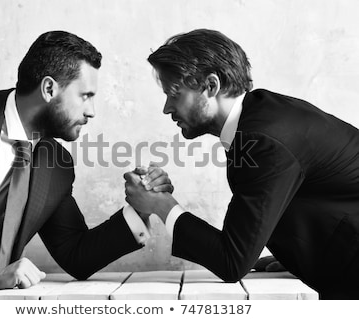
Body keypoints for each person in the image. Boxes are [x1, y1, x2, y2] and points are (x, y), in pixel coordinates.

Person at [0, 30, 171, 299]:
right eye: (85, 95)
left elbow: (75, 254)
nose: (92, 111)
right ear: (49, 89)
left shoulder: (56, 165)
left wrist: (140, 209)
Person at [124, 29, 359, 299]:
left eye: (174, 94)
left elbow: (231, 262)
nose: (166, 108)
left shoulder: (263, 139)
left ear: (211, 86)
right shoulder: (261, 119)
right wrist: (297, 254)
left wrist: (161, 205)